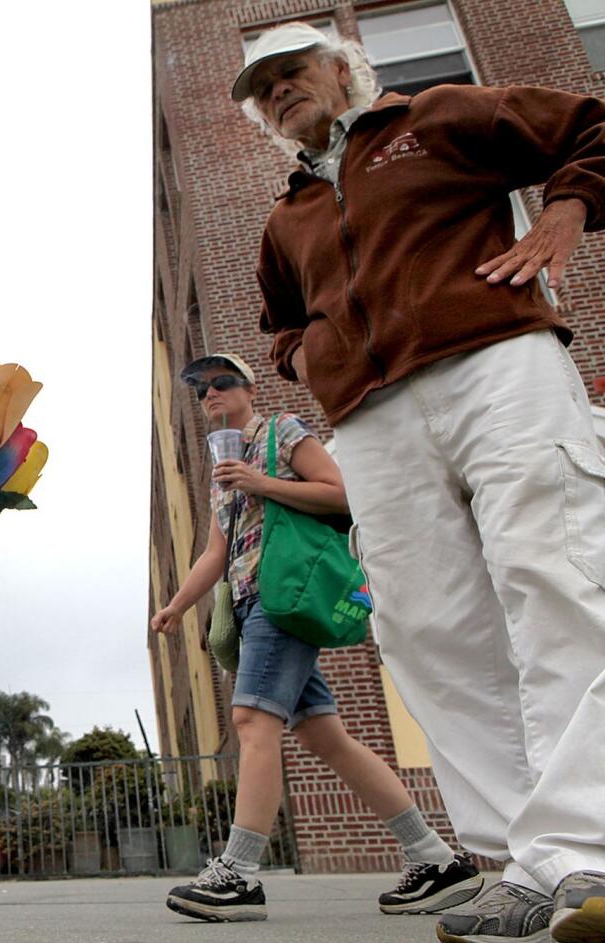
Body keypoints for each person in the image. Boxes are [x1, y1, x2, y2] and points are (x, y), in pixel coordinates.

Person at [237, 21, 605, 943]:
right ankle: (522, 861)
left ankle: (587, 848)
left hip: (496, 364)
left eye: (293, 72)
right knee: (423, 626)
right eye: (264, 88)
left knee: (551, 574)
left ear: (342, 68)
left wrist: (568, 212)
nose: (281, 90)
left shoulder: (436, 118)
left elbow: (592, 127)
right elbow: (282, 323)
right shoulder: (287, 219)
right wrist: (310, 358)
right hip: (371, 415)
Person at [150, 353, 481, 923]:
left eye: (221, 383)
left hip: (286, 597)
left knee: (253, 721)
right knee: (327, 737)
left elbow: (344, 495)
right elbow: (216, 551)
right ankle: (436, 860)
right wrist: (177, 607)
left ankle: (239, 874)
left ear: (249, 388)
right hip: (256, 599)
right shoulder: (219, 471)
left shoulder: (283, 433)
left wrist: (262, 482)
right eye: (201, 390)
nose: (210, 395)